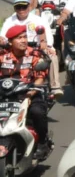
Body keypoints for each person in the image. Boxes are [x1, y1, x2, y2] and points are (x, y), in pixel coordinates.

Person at [0, 25, 51, 158]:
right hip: (6, 94)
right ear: (10, 42)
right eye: (19, 38)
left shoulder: (35, 54)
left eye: (25, 37)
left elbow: (40, 77)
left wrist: (29, 96)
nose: (23, 40)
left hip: (30, 92)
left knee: (37, 112)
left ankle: (42, 142)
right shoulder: (2, 56)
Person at [1, 0, 62, 97]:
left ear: (29, 7)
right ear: (15, 8)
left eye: (24, 6)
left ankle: (55, 87)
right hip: (15, 50)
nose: (21, 9)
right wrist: (2, 41)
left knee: (52, 56)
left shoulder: (38, 20)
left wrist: (48, 46)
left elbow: (47, 35)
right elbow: (2, 36)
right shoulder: (9, 21)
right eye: (18, 7)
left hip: (36, 49)